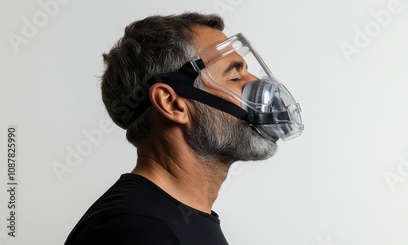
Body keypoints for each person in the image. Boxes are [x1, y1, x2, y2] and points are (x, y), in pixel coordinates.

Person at [65, 12, 303, 245]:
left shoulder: (175, 220)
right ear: (171, 104)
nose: (259, 87)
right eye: (233, 77)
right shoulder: (138, 229)